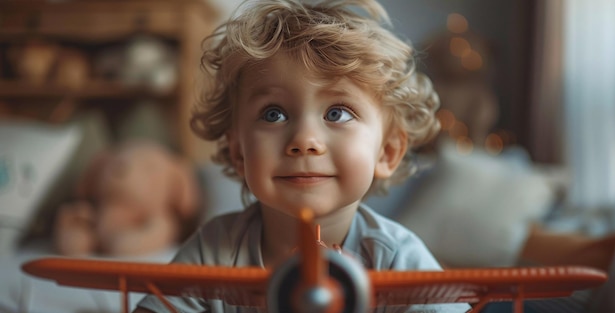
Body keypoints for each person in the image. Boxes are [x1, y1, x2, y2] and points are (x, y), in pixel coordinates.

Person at [134, 0, 470, 312]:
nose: (305, 141)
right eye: (273, 114)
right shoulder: (214, 250)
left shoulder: (398, 259)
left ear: (387, 152)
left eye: (337, 113)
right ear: (238, 151)